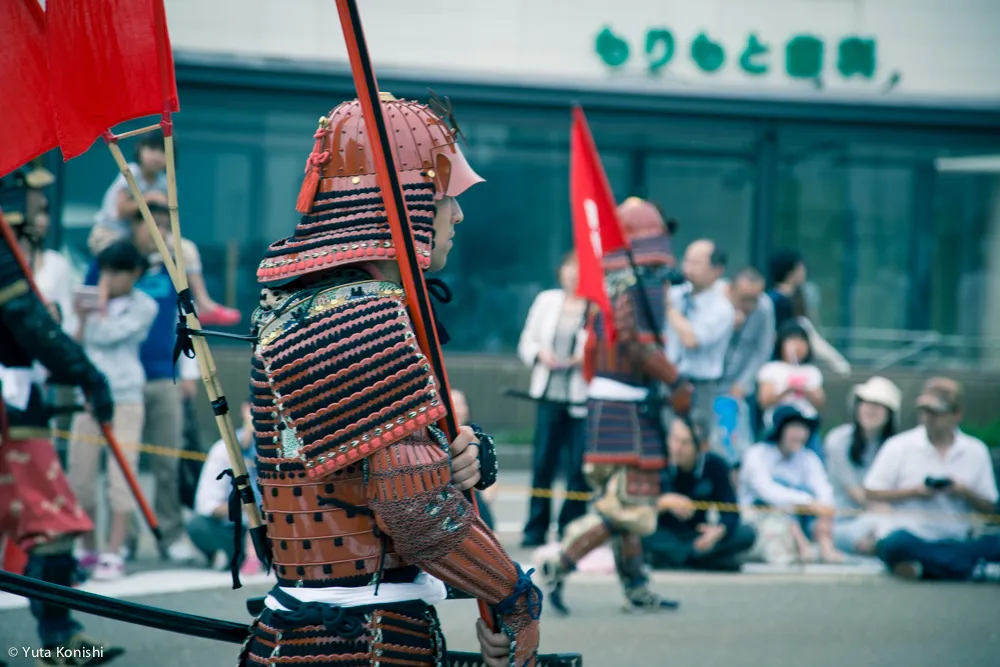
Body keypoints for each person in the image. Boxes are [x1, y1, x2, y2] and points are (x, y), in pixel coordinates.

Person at [241, 93, 539, 667]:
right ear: (409, 203)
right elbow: (416, 515)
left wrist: (466, 453)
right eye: (446, 196)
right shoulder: (352, 314)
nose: (457, 214)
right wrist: (515, 596)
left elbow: (380, 465)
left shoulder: (327, 303)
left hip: (335, 626)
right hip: (355, 638)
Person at [539, 197, 691, 616]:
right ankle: (558, 563)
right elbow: (636, 343)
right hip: (627, 410)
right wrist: (675, 380)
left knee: (628, 501)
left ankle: (638, 588)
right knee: (625, 506)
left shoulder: (609, 282)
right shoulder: (639, 286)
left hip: (609, 406)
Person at [0, 170, 125, 665]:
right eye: (35, 194)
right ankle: (56, 636)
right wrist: (84, 372)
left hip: (17, 400)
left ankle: (58, 636)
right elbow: (24, 320)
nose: (41, 203)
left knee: (50, 523)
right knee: (51, 521)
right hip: (9, 403)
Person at [83, 201, 194, 563]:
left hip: (164, 375)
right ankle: (123, 541)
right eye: (149, 223)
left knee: (166, 460)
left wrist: (189, 371)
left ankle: (171, 534)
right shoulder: (109, 263)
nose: (156, 230)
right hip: (112, 383)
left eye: (163, 224)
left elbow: (187, 318)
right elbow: (84, 314)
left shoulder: (173, 266)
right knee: (113, 467)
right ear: (133, 226)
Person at [67, 241, 157, 580]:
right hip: (87, 397)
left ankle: (113, 551)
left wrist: (95, 312)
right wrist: (78, 319)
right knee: (81, 476)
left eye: (115, 271)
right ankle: (88, 547)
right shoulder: (87, 305)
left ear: (133, 273)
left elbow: (108, 337)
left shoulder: (144, 305)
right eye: (104, 270)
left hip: (125, 397)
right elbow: (71, 346)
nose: (107, 277)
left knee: (122, 477)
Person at [90, 132, 240, 327]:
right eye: (152, 149)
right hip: (110, 233)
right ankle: (100, 307)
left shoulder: (165, 182)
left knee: (186, 249)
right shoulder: (131, 172)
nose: (157, 156)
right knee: (113, 262)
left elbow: (168, 215)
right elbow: (121, 210)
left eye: (163, 151)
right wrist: (149, 198)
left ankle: (203, 303)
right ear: (139, 150)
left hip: (142, 236)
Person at [864, 378, 1000, 582]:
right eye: (925, 411)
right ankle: (961, 567)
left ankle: (931, 567)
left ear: (956, 415)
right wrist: (914, 491)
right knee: (894, 544)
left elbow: (990, 507)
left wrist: (964, 492)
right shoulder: (899, 446)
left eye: (937, 413)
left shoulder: (975, 451)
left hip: (957, 537)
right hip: (911, 535)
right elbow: (872, 491)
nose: (929, 418)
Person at [517, 250, 589, 546]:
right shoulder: (547, 300)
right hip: (548, 393)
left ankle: (571, 528)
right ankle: (536, 527)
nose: (573, 274)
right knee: (543, 462)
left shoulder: (596, 306)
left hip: (581, 397)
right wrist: (539, 354)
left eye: (580, 268)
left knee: (578, 467)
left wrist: (585, 358)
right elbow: (527, 341)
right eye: (569, 267)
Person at [643, 416, 756, 571]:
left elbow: (731, 511)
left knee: (746, 533)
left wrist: (719, 531)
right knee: (637, 535)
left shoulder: (715, 466)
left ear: (702, 446)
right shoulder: (656, 462)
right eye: (674, 440)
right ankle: (702, 560)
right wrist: (663, 502)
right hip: (664, 534)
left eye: (685, 443)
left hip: (698, 534)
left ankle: (685, 559)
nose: (677, 448)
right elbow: (637, 509)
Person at [739, 405, 843, 563]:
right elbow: (767, 491)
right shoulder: (757, 454)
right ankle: (802, 545)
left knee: (819, 507)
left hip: (801, 518)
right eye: (794, 428)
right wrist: (808, 502)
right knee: (783, 503)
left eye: (804, 428)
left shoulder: (808, 458)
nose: (800, 434)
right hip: (760, 516)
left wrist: (824, 512)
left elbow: (823, 489)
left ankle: (824, 545)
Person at [823, 376, 901, 555]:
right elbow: (855, 492)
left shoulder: (896, 446)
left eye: (878, 405)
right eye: (866, 403)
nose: (871, 410)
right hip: (843, 520)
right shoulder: (838, 440)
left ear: (889, 414)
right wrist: (887, 513)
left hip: (883, 516)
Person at [664, 238, 735, 425]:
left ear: (717, 270)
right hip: (668, 379)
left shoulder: (722, 308)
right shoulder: (676, 294)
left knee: (693, 440)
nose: (688, 268)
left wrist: (669, 308)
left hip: (700, 386)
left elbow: (691, 339)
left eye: (696, 263)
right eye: (686, 261)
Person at [716, 267, 774, 466]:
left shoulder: (764, 307)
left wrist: (744, 383)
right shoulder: (714, 300)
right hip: (708, 383)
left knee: (737, 441)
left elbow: (763, 349)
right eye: (744, 299)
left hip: (738, 385)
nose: (750, 305)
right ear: (730, 290)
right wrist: (727, 326)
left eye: (754, 299)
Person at [186, 401, 255, 569]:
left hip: (274, 526)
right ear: (246, 411)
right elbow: (206, 505)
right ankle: (235, 554)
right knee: (198, 525)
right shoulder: (225, 448)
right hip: (236, 526)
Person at [756, 321, 826, 456]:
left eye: (802, 341)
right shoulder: (771, 369)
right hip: (777, 427)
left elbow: (820, 402)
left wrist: (804, 389)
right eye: (792, 340)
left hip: (807, 426)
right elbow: (764, 401)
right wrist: (787, 389)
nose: (797, 346)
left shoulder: (811, 371)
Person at [451, 388, 496, 532]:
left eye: (460, 404)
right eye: (452, 404)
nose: (456, 409)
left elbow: (493, 481)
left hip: (474, 498)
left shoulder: (480, 437)